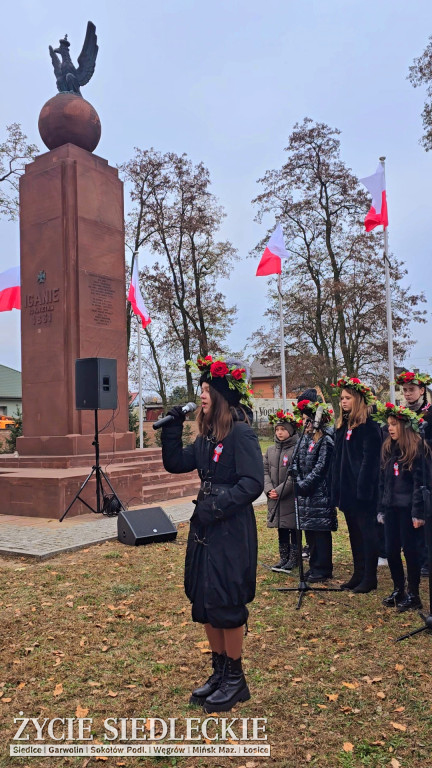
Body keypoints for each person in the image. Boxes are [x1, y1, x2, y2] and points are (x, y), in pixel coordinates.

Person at [161, 355, 264, 713]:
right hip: (205, 526)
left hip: (230, 528)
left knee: (226, 601)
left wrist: (216, 505)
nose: (202, 395)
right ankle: (219, 672)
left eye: (207, 390)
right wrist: (173, 427)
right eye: (201, 389)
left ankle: (236, 680)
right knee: (205, 601)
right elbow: (175, 463)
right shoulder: (207, 437)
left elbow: (253, 484)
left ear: (221, 396)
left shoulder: (241, 433)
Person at [374, 402, 430, 611]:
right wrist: (381, 507)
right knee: (391, 549)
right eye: (388, 424)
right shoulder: (388, 448)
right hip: (391, 508)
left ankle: (414, 593)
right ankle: (399, 589)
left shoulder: (417, 449)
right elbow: (382, 481)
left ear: (405, 426)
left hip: (408, 510)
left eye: (394, 424)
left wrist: (418, 512)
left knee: (411, 551)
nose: (390, 428)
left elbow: (420, 483)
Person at [330, 376, 382, 593]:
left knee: (367, 533)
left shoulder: (369, 427)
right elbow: (338, 459)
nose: (343, 401)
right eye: (342, 398)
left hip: (363, 493)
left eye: (348, 398)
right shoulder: (343, 426)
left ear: (358, 399)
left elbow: (371, 461)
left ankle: (370, 577)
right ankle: (358, 572)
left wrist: (364, 490)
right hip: (347, 491)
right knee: (354, 533)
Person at [294, 399, 337, 582]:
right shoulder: (304, 438)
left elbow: (321, 467)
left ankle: (323, 568)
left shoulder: (325, 440)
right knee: (309, 532)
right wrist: (297, 478)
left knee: (320, 533)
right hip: (305, 494)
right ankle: (313, 566)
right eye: (303, 420)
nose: (305, 424)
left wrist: (305, 484)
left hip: (320, 493)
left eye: (308, 420)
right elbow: (295, 460)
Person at [396, 370, 432, 577]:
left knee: (423, 511)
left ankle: (426, 558)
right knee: (410, 511)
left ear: (421, 390)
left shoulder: (429, 413)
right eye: (405, 390)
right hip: (406, 468)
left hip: (426, 468)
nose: (408, 394)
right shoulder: (402, 414)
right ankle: (415, 556)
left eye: (412, 390)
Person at [264, 410, 301, 573]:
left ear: (291, 431)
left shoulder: (297, 449)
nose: (280, 432)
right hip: (274, 496)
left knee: (292, 526)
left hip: (289, 496)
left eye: (283, 429)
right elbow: (264, 471)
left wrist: (280, 490)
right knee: (281, 526)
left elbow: (295, 475)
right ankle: (283, 557)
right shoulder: (270, 450)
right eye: (277, 429)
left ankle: (294, 558)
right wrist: (269, 489)